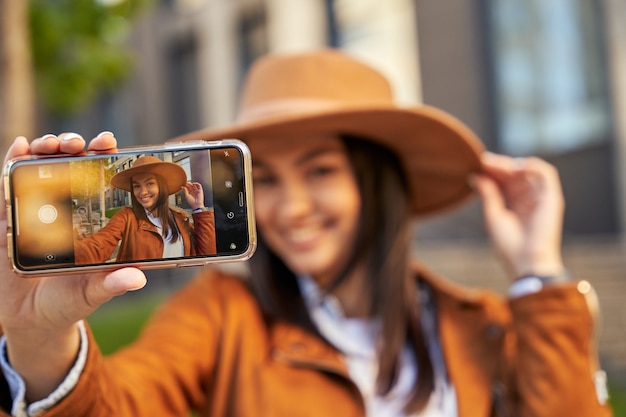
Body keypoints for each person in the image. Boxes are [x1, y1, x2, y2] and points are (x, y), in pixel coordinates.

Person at [0, 49, 612, 417]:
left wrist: (539, 273)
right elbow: (121, 402)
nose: (290, 208)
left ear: (376, 183)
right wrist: (41, 338)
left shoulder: (479, 323)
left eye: (319, 171)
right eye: (262, 178)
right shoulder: (220, 316)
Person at [74, 155, 217, 264]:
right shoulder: (126, 217)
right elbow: (98, 246)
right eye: (136, 186)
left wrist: (199, 208)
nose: (142, 192)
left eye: (149, 184)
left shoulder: (181, 218)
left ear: (162, 187)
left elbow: (207, 256)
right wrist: (66, 255)